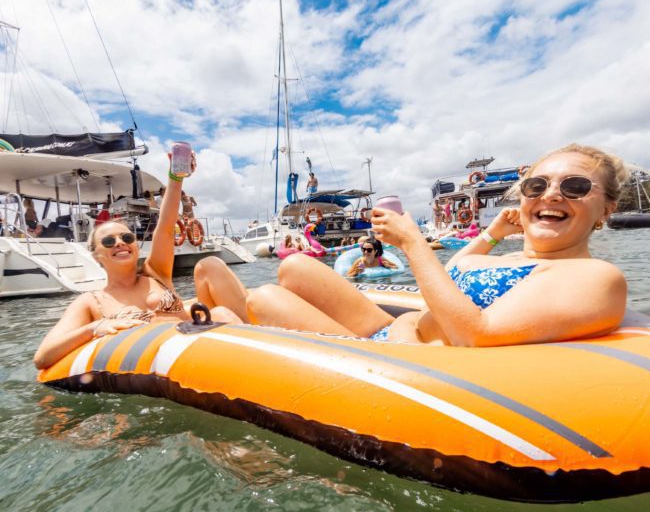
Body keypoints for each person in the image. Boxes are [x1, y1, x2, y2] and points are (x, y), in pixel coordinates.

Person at [244, 144, 628, 346]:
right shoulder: (515, 256)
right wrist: (492, 235)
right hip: (394, 330)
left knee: (263, 299)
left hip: (392, 355)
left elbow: (477, 333)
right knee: (293, 268)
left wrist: (413, 242)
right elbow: (451, 277)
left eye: (574, 186)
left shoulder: (594, 277)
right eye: (537, 186)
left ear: (606, 210)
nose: (552, 195)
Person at [34, 151, 248, 369]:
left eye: (127, 237)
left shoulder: (155, 272)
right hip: (161, 367)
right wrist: (94, 327)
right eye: (108, 241)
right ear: (96, 254)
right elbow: (42, 357)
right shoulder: (91, 301)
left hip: (201, 348)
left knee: (220, 306)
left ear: (135, 246)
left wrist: (176, 178)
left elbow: (165, 228)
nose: (119, 242)